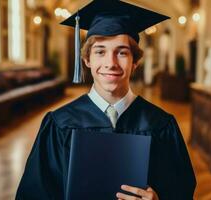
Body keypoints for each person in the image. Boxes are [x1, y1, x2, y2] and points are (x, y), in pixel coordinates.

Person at [16, 0, 196, 199]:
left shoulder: (161, 125)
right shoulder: (59, 125)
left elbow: (182, 191)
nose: (110, 63)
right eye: (100, 52)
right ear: (87, 60)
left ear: (135, 62)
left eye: (122, 52)